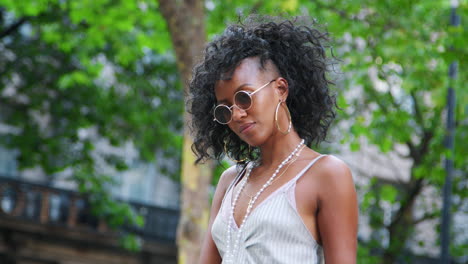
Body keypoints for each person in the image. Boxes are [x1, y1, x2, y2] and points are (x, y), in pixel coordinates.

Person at [188, 16, 358, 264]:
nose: (236, 114)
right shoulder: (230, 181)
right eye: (224, 109)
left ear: (280, 89)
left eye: (244, 97)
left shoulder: (327, 175)